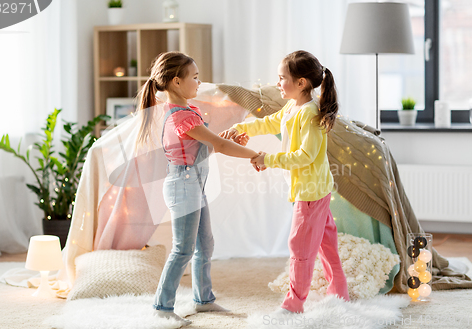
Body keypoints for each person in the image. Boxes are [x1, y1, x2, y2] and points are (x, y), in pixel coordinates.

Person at [220, 50, 350, 314]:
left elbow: (305, 156)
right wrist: (242, 128)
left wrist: (268, 158)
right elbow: (270, 123)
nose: (278, 83)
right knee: (326, 243)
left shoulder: (310, 114)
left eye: (282, 78)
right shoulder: (293, 107)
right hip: (315, 188)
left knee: (299, 246)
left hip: (311, 192)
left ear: (301, 83)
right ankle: (340, 292)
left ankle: (294, 304)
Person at [138, 51, 258, 326]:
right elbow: (220, 146)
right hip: (183, 185)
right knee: (183, 249)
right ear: (176, 82)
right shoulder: (180, 117)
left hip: (195, 183)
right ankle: (161, 307)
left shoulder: (188, 111)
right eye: (194, 77)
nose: (199, 82)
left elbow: (210, 144)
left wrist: (221, 139)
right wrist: (254, 154)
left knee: (205, 244)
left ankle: (203, 300)